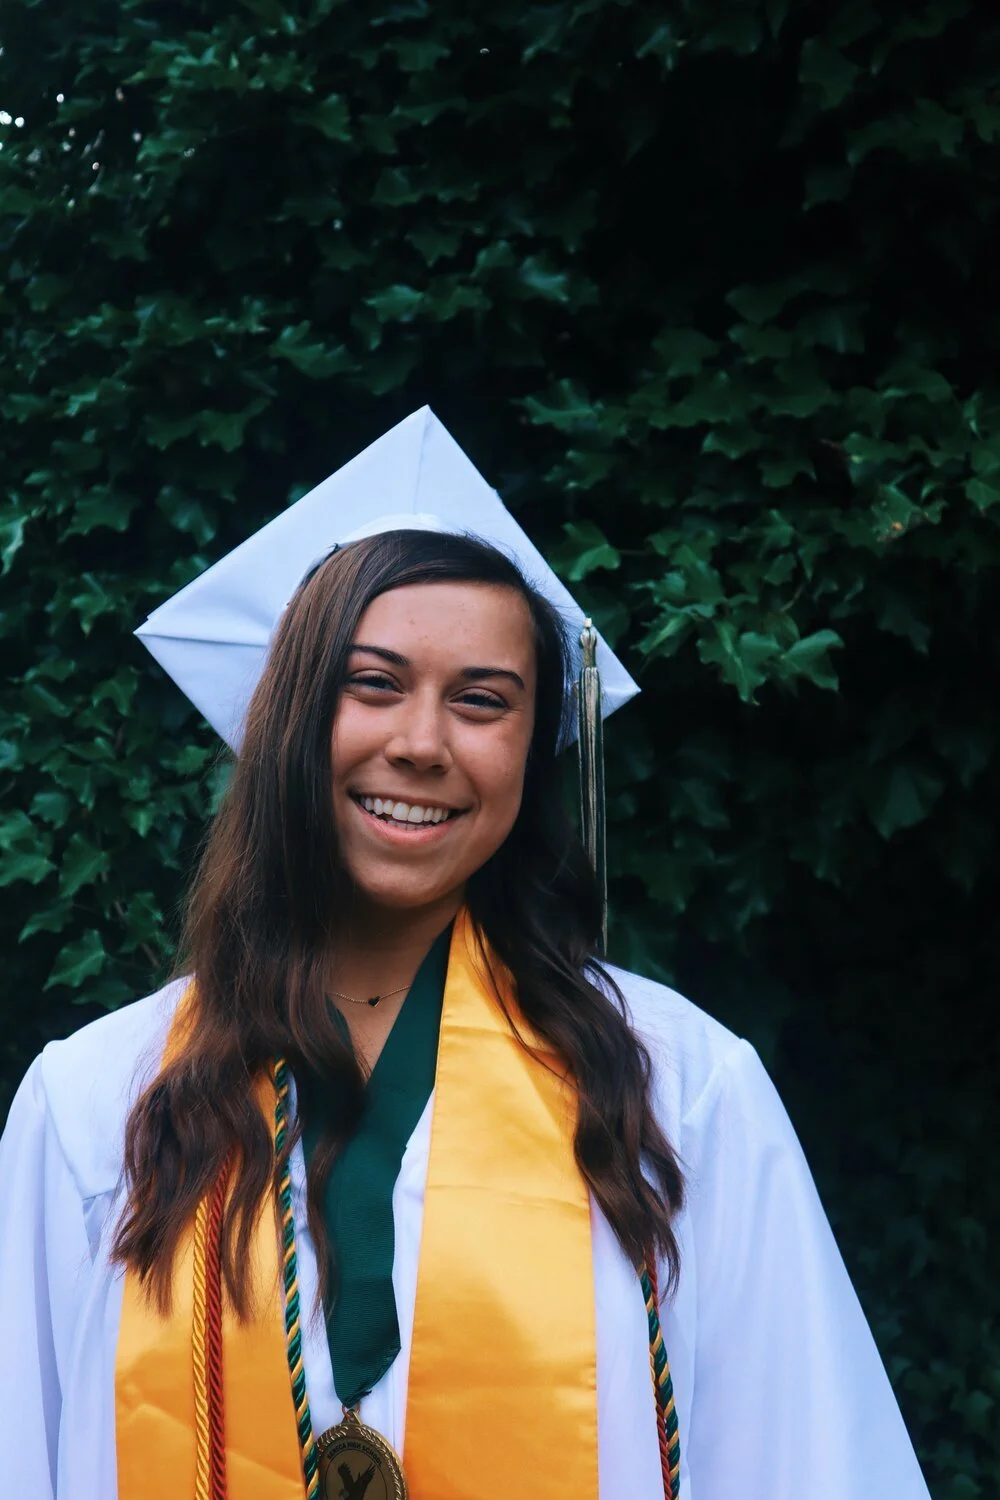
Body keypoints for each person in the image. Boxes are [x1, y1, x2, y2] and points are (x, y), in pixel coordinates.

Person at [0, 409, 930, 1499]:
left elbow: (807, 1463)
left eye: (482, 702)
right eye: (373, 683)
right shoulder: (93, 1105)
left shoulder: (677, 1091)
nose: (422, 744)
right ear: (285, 719)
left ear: (533, 752)